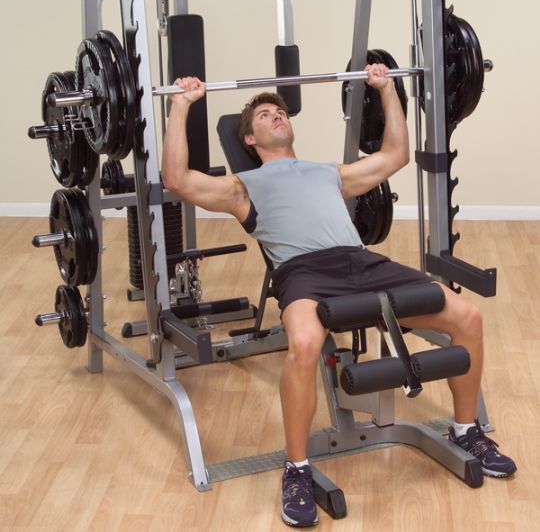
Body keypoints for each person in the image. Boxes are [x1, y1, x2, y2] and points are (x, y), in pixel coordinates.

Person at [162, 65, 516, 528]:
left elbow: (396, 154)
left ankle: (467, 431)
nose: (276, 116)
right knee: (306, 344)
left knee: (468, 317)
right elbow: (177, 179)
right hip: (304, 274)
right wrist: (181, 104)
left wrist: (387, 88)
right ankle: (297, 469)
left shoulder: (328, 172)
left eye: (280, 111)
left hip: (362, 261)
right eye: (265, 115)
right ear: (249, 139)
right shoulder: (242, 187)